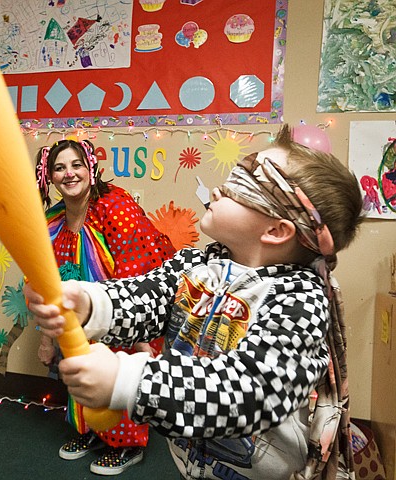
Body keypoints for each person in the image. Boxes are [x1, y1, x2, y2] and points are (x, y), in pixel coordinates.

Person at [26, 124, 363, 480]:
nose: (217, 191)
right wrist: (88, 302)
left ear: (276, 231)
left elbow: (246, 390)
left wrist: (129, 382)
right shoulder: (200, 264)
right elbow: (147, 296)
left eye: (236, 191)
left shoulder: (299, 301)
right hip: (193, 461)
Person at [34, 138, 175, 475]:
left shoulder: (116, 206)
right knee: (81, 365)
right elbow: (44, 280)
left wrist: (142, 342)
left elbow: (134, 271)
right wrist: (46, 339)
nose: (69, 174)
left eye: (76, 165)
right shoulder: (53, 219)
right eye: (59, 167)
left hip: (130, 305)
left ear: (90, 168)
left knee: (119, 368)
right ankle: (92, 431)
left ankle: (128, 444)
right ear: (49, 177)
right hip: (81, 313)